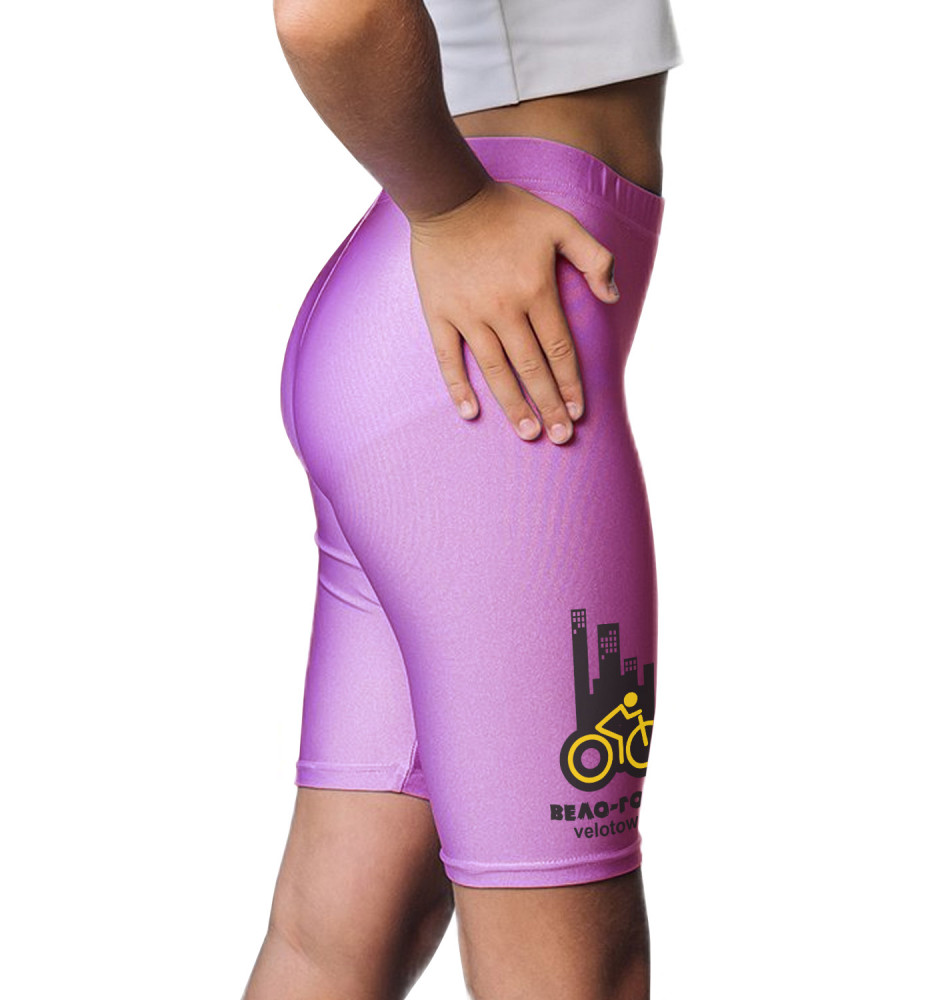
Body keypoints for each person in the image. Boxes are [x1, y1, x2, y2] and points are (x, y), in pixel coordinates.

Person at [242, 0, 683, 996]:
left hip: (449, 362)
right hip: (491, 371)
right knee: (573, 974)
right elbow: (330, 16)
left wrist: (453, 214)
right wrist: (455, 210)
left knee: (335, 945)